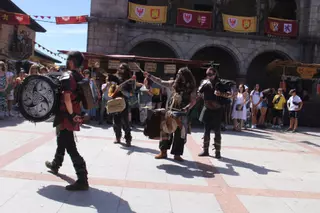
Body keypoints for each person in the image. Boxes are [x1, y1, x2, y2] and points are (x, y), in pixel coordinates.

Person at [45, 51, 89, 191]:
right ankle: (55, 164)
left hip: (67, 115)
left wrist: (70, 116)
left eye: (68, 59)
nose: (66, 61)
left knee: (70, 146)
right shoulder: (79, 75)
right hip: (72, 113)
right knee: (62, 139)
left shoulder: (68, 76)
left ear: (71, 61)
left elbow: (67, 97)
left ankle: (82, 179)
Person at [145, 67, 196, 161]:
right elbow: (160, 81)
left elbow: (193, 101)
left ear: (185, 76)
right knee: (165, 131)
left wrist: (187, 108)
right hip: (170, 111)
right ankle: (163, 152)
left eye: (180, 74)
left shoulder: (191, 87)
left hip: (182, 113)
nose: (178, 76)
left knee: (180, 134)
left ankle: (177, 154)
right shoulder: (173, 83)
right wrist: (149, 76)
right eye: (178, 74)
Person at [197, 67, 231, 158]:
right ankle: (205, 151)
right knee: (206, 131)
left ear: (215, 74)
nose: (209, 76)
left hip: (217, 110)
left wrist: (221, 94)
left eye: (210, 74)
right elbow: (198, 92)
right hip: (207, 109)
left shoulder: (221, 84)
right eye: (207, 74)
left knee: (217, 132)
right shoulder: (205, 83)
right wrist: (199, 94)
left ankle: (217, 152)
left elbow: (230, 95)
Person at [108, 63, 136, 147]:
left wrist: (122, 91)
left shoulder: (129, 80)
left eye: (122, 68)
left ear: (126, 70)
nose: (120, 70)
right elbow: (109, 80)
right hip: (115, 101)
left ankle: (128, 139)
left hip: (124, 102)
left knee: (125, 122)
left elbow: (131, 94)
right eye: (119, 68)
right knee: (116, 121)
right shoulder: (116, 77)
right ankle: (118, 137)